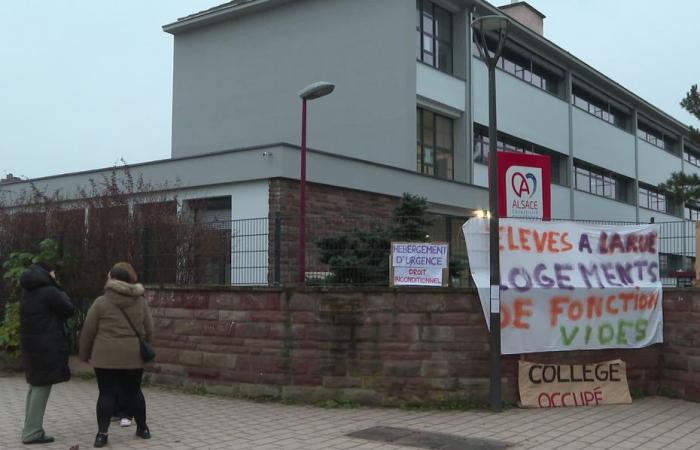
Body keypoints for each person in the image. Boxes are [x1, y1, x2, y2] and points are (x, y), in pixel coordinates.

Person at [79, 262, 153, 448]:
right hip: (132, 356)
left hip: (105, 357)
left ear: (112, 279)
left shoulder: (101, 302)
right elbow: (150, 329)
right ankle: (143, 429)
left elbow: (88, 331)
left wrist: (84, 355)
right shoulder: (141, 301)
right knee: (134, 392)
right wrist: (145, 346)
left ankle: (102, 435)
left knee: (106, 394)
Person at [19, 261, 75, 445]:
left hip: (32, 345)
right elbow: (69, 309)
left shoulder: (28, 291)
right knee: (41, 388)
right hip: (46, 346)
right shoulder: (50, 292)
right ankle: (32, 432)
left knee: (35, 386)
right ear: (47, 274)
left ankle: (29, 428)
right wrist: (57, 286)